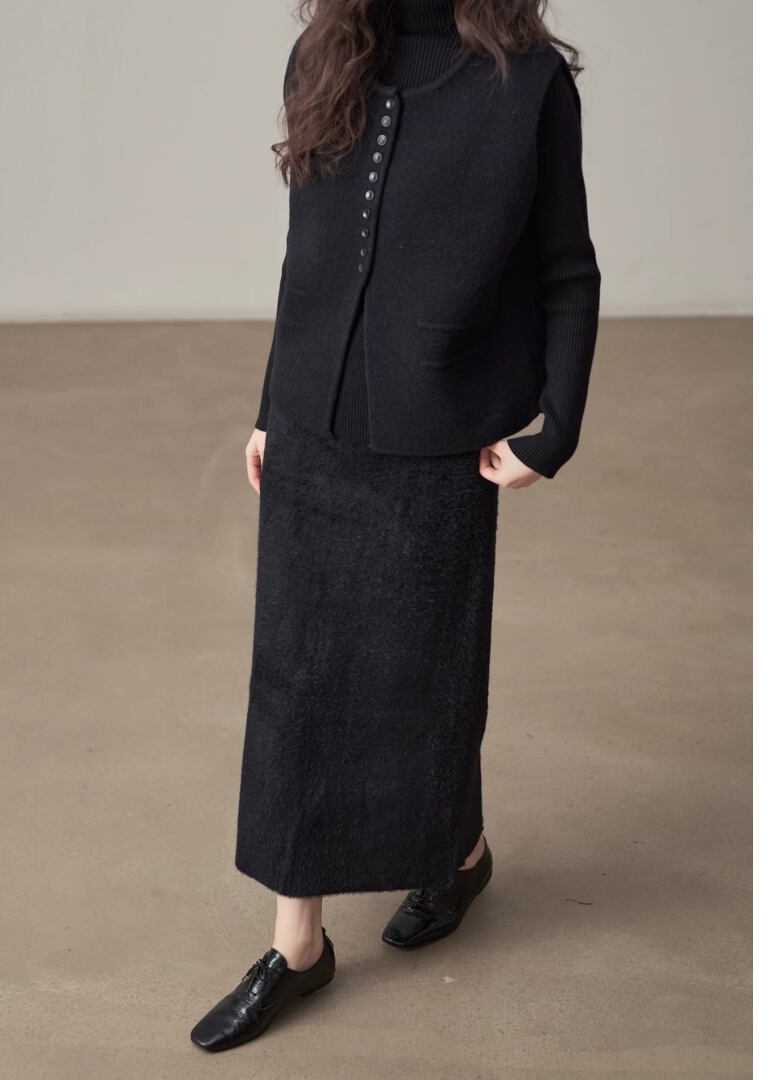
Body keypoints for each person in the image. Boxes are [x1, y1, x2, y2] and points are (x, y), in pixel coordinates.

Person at [191, 0, 600, 1052]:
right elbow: (307, 255)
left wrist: (556, 428)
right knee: (297, 685)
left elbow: (567, 267)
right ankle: (298, 948)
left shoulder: (529, 85)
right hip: (314, 421)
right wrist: (271, 406)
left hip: (443, 431)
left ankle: (457, 858)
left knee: (426, 675)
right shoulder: (325, 54)